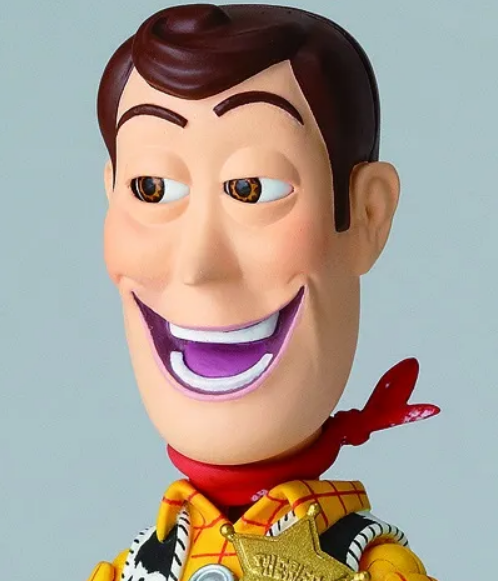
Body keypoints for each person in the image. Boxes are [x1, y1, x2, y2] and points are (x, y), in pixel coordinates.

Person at [89, 4, 440, 581]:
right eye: (152, 189)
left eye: (251, 188)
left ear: (368, 216)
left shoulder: (372, 567)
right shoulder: (132, 568)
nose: (197, 265)